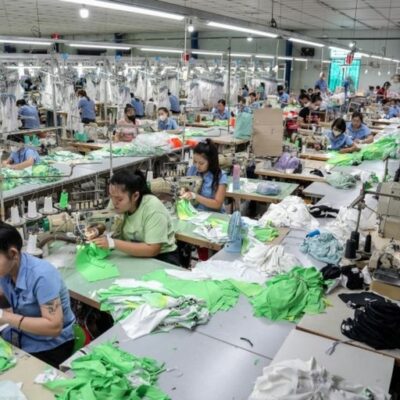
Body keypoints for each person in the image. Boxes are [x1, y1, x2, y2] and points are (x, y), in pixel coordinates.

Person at [0, 222, 75, 368]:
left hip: (50, 344)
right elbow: (7, 295)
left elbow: (54, 327)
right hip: (21, 334)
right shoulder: (6, 269)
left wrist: (5, 317)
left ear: (13, 254)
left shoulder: (42, 276)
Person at [91, 169, 179, 265]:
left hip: (161, 259)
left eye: (119, 199)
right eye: (111, 196)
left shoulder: (153, 209)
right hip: (131, 255)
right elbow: (107, 222)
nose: (114, 202)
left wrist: (112, 243)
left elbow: (153, 249)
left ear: (135, 196)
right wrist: (96, 230)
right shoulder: (116, 201)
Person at [182, 139, 227, 212]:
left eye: (201, 163)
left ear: (211, 162)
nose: (197, 166)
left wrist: (195, 196)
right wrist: (183, 190)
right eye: (195, 162)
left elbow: (217, 204)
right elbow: (185, 186)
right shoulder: (192, 170)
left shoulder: (220, 176)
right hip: (194, 212)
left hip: (213, 214)